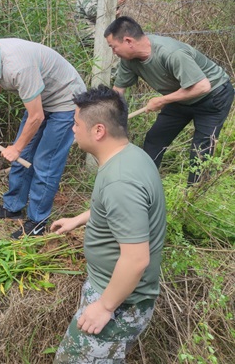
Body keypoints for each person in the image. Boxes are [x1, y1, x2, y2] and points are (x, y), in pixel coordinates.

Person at [51, 85, 166, 363]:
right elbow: (121, 213)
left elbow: (136, 259)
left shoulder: (120, 181)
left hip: (120, 303)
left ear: (98, 130)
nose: (73, 129)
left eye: (76, 124)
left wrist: (104, 306)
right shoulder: (130, 156)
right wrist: (79, 219)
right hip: (116, 293)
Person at [0, 33, 86, 238]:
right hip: (41, 102)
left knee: (45, 163)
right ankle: (13, 208)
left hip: (66, 103)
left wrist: (17, 148)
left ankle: (37, 222)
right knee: (22, 158)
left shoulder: (19, 67)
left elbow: (36, 117)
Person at [105, 16, 234, 185]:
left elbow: (202, 86)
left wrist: (162, 100)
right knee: (154, 139)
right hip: (180, 97)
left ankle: (193, 195)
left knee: (201, 150)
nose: (113, 52)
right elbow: (118, 92)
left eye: (113, 47)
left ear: (128, 41)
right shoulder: (128, 61)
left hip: (213, 96)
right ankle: (143, 186)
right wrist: (107, 119)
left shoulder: (171, 53)